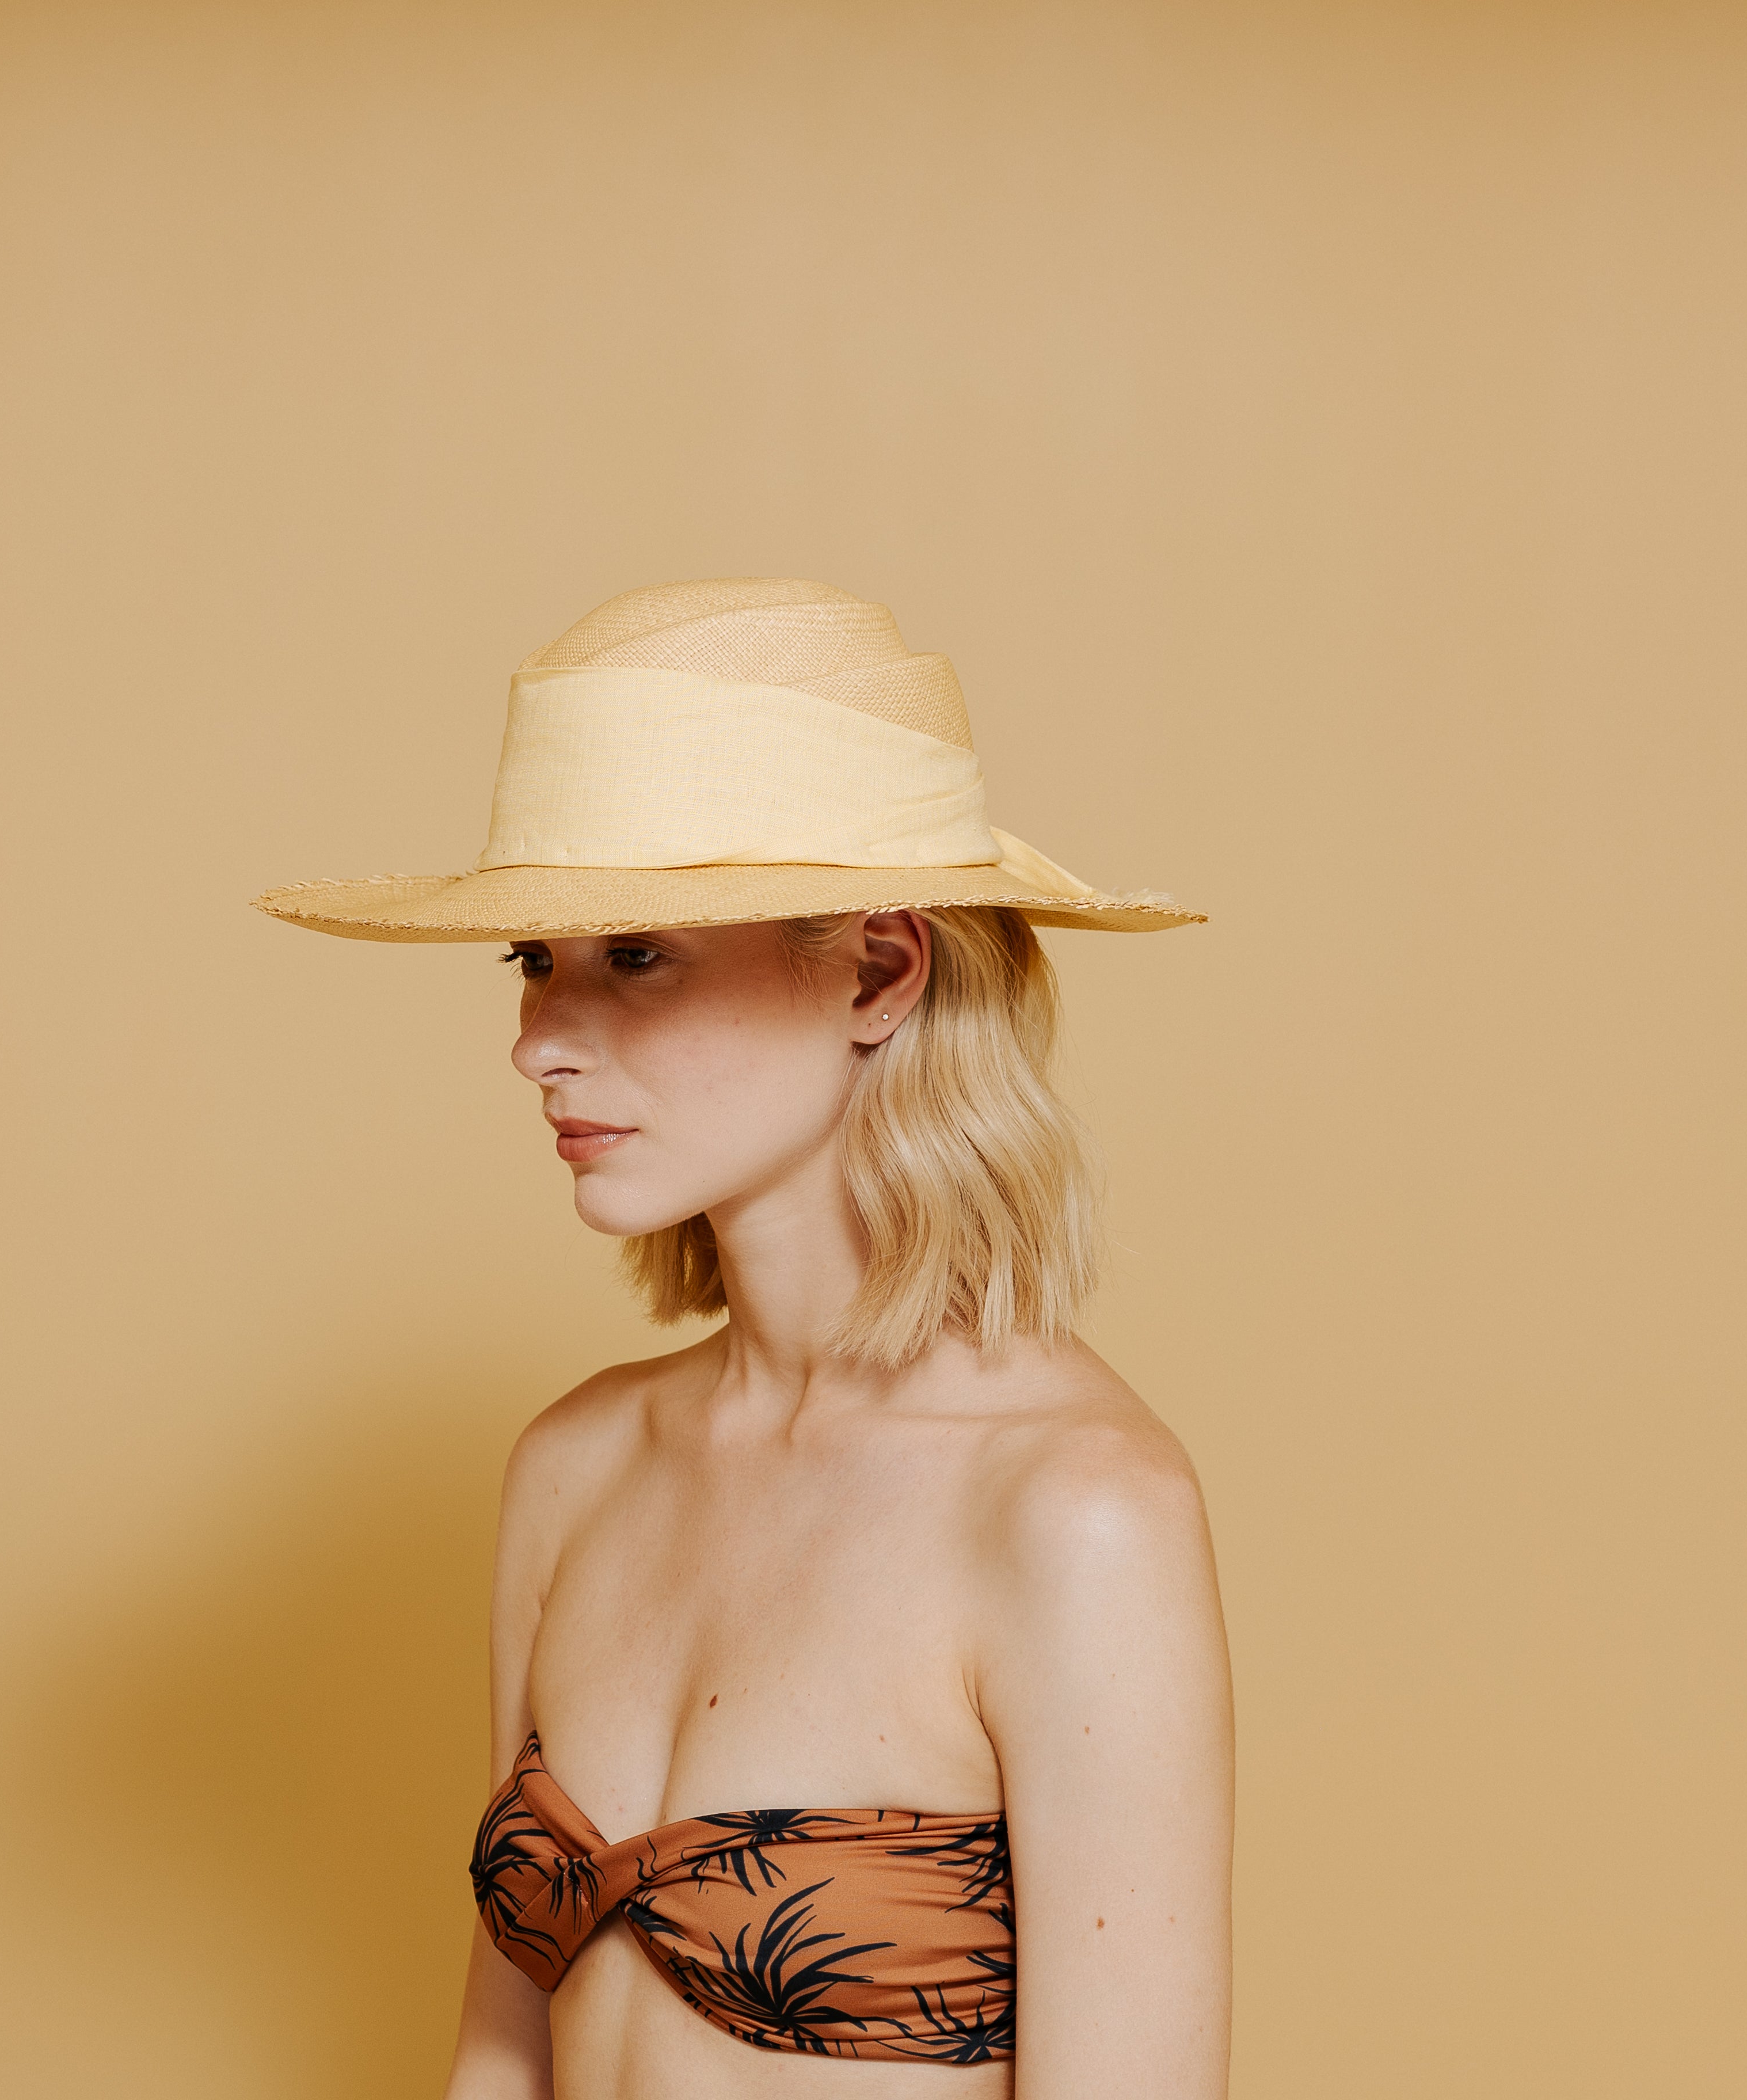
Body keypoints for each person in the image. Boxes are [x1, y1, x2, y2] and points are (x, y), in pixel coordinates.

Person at [256, 579, 1232, 2098]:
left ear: (879, 969)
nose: (537, 1041)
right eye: (534, 960)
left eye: (636, 955)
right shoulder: (577, 1466)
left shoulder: (1078, 1514)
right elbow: (499, 2059)